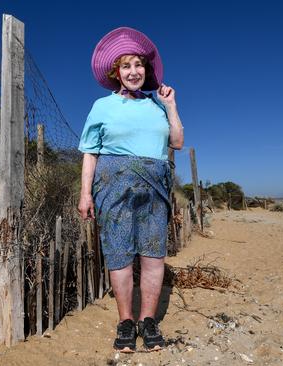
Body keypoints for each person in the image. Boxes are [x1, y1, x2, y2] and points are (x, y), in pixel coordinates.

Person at [77, 27, 184, 353]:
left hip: (155, 189)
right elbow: (90, 152)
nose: (134, 71)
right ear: (116, 73)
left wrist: (171, 106)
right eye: (126, 66)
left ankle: (148, 321)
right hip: (113, 188)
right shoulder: (101, 106)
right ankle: (126, 320)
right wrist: (85, 194)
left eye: (139, 65)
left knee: (153, 257)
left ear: (146, 71)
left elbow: (177, 142)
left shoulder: (157, 106)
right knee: (119, 255)